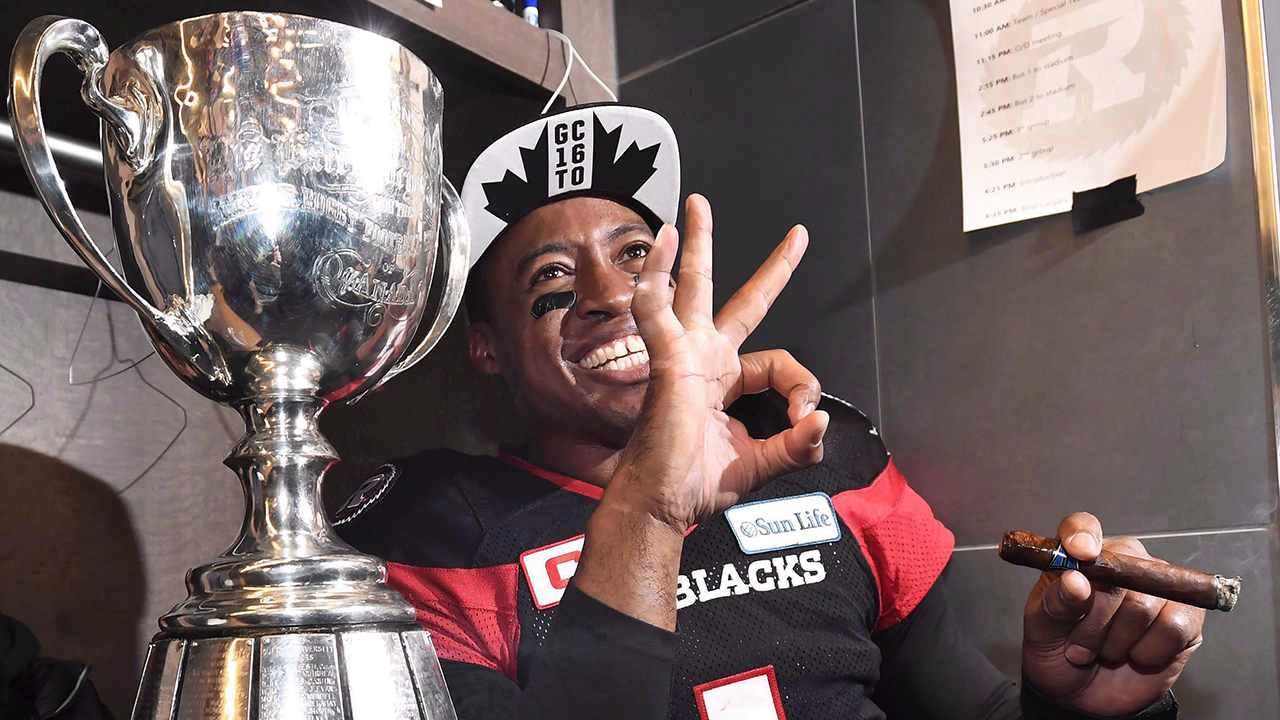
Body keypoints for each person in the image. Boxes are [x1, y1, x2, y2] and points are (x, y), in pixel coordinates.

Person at [335, 105, 1204, 720]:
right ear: (485, 348)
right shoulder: (433, 534)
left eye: (638, 255)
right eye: (553, 280)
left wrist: (1078, 709)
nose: (615, 294)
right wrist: (650, 505)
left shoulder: (820, 452)